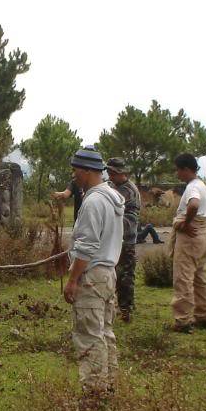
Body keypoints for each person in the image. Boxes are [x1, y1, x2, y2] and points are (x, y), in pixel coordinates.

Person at [63, 147, 124, 396]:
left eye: (76, 170)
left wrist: (72, 280)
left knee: (89, 335)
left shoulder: (94, 201)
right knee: (105, 332)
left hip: (91, 276)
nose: (74, 175)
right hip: (108, 274)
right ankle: (109, 384)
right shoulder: (112, 197)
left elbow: (87, 247)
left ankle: (94, 393)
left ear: (88, 171)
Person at [169, 153, 206, 333]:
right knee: (200, 277)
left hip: (190, 236)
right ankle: (204, 315)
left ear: (186, 169)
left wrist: (186, 223)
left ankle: (183, 320)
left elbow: (193, 205)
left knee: (183, 277)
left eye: (178, 170)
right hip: (202, 235)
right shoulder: (202, 185)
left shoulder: (192, 187)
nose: (177, 173)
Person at [106, 157, 139, 322]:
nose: (110, 176)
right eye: (109, 173)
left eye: (113, 173)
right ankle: (121, 306)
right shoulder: (113, 186)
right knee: (115, 273)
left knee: (125, 275)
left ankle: (126, 309)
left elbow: (110, 205)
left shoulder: (128, 190)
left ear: (122, 173)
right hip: (115, 237)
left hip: (126, 239)